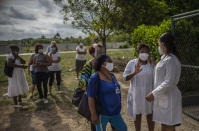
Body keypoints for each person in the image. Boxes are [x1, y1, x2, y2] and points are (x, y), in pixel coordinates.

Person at [146, 32, 182, 131]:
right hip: (163, 97)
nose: (158, 46)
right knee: (164, 123)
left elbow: (169, 81)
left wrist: (153, 93)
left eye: (159, 44)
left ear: (163, 44)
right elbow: (160, 76)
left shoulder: (171, 59)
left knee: (169, 124)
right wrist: (154, 65)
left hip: (169, 97)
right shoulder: (165, 58)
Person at [87, 55, 127, 131]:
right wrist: (93, 114)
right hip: (103, 113)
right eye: (109, 61)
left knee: (123, 128)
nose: (112, 63)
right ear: (102, 64)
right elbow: (90, 96)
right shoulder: (95, 77)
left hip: (115, 113)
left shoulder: (112, 75)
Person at [123, 43, 155, 131]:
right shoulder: (132, 63)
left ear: (149, 54)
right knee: (137, 115)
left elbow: (157, 77)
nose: (144, 54)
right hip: (136, 94)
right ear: (137, 52)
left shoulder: (151, 64)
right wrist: (134, 73)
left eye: (146, 52)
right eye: (142, 52)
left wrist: (155, 64)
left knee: (150, 114)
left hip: (149, 93)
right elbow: (124, 77)